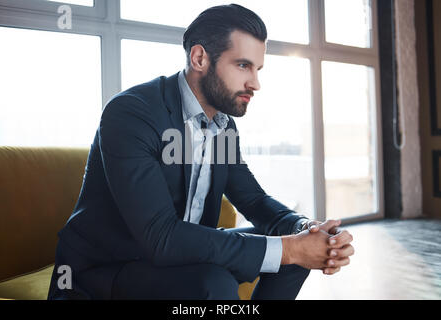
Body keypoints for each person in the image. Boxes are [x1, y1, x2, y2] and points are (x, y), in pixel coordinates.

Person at [48, 3, 354, 300]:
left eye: (258, 68)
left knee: (294, 252)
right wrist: (290, 248)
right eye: (243, 65)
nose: (255, 83)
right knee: (217, 281)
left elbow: (253, 200)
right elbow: (161, 236)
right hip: (105, 270)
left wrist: (304, 228)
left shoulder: (223, 126)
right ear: (199, 58)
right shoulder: (131, 113)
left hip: (177, 258)